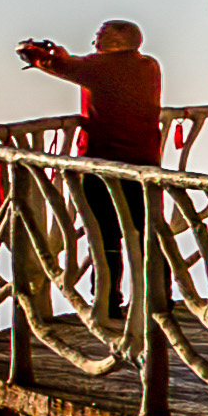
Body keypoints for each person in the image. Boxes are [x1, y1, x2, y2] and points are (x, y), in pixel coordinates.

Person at [16, 18, 174, 316]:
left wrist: (30, 51)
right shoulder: (148, 66)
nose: (95, 42)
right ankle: (159, 299)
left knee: (104, 236)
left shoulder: (99, 68)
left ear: (117, 41)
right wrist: (62, 57)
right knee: (146, 231)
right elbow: (76, 65)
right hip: (144, 163)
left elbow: (57, 65)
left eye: (101, 36)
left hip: (102, 162)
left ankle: (107, 301)